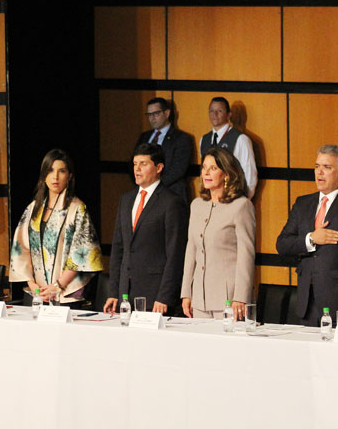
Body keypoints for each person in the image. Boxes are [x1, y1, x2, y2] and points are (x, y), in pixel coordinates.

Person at [276, 145, 338, 327]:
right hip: (308, 304)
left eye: (327, 167)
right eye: (317, 167)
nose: (319, 173)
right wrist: (311, 239)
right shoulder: (302, 204)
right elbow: (282, 244)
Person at [9, 149, 103, 306]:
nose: (55, 176)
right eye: (50, 170)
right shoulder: (33, 208)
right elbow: (21, 249)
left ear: (70, 176)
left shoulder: (77, 208)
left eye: (62, 171)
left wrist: (57, 286)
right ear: (44, 174)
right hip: (37, 293)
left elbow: (81, 253)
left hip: (65, 293)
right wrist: (33, 285)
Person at [103, 143, 188, 316]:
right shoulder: (126, 200)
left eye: (143, 164)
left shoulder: (171, 202)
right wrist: (113, 292)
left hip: (155, 296)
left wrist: (165, 295)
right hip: (126, 295)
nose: (137, 169)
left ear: (159, 167)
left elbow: (175, 254)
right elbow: (119, 248)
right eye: (135, 164)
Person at [181, 147, 256, 320]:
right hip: (199, 299)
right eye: (204, 168)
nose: (206, 173)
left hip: (229, 299)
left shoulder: (241, 206)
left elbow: (246, 254)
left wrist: (240, 297)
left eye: (213, 168)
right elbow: (191, 250)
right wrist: (186, 292)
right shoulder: (197, 205)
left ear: (227, 174)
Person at [136, 97, 194, 203]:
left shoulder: (181, 138)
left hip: (171, 193)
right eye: (149, 114)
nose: (152, 118)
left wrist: (154, 185)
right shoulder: (144, 137)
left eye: (156, 114)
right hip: (145, 194)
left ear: (167, 113)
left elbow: (178, 169)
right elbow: (134, 162)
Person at [199, 96, 257, 198]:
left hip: (233, 198)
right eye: (211, 111)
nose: (215, 114)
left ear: (229, 114)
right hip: (210, 199)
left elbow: (250, 175)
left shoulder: (240, 139)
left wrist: (243, 200)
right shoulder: (204, 140)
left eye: (219, 111)